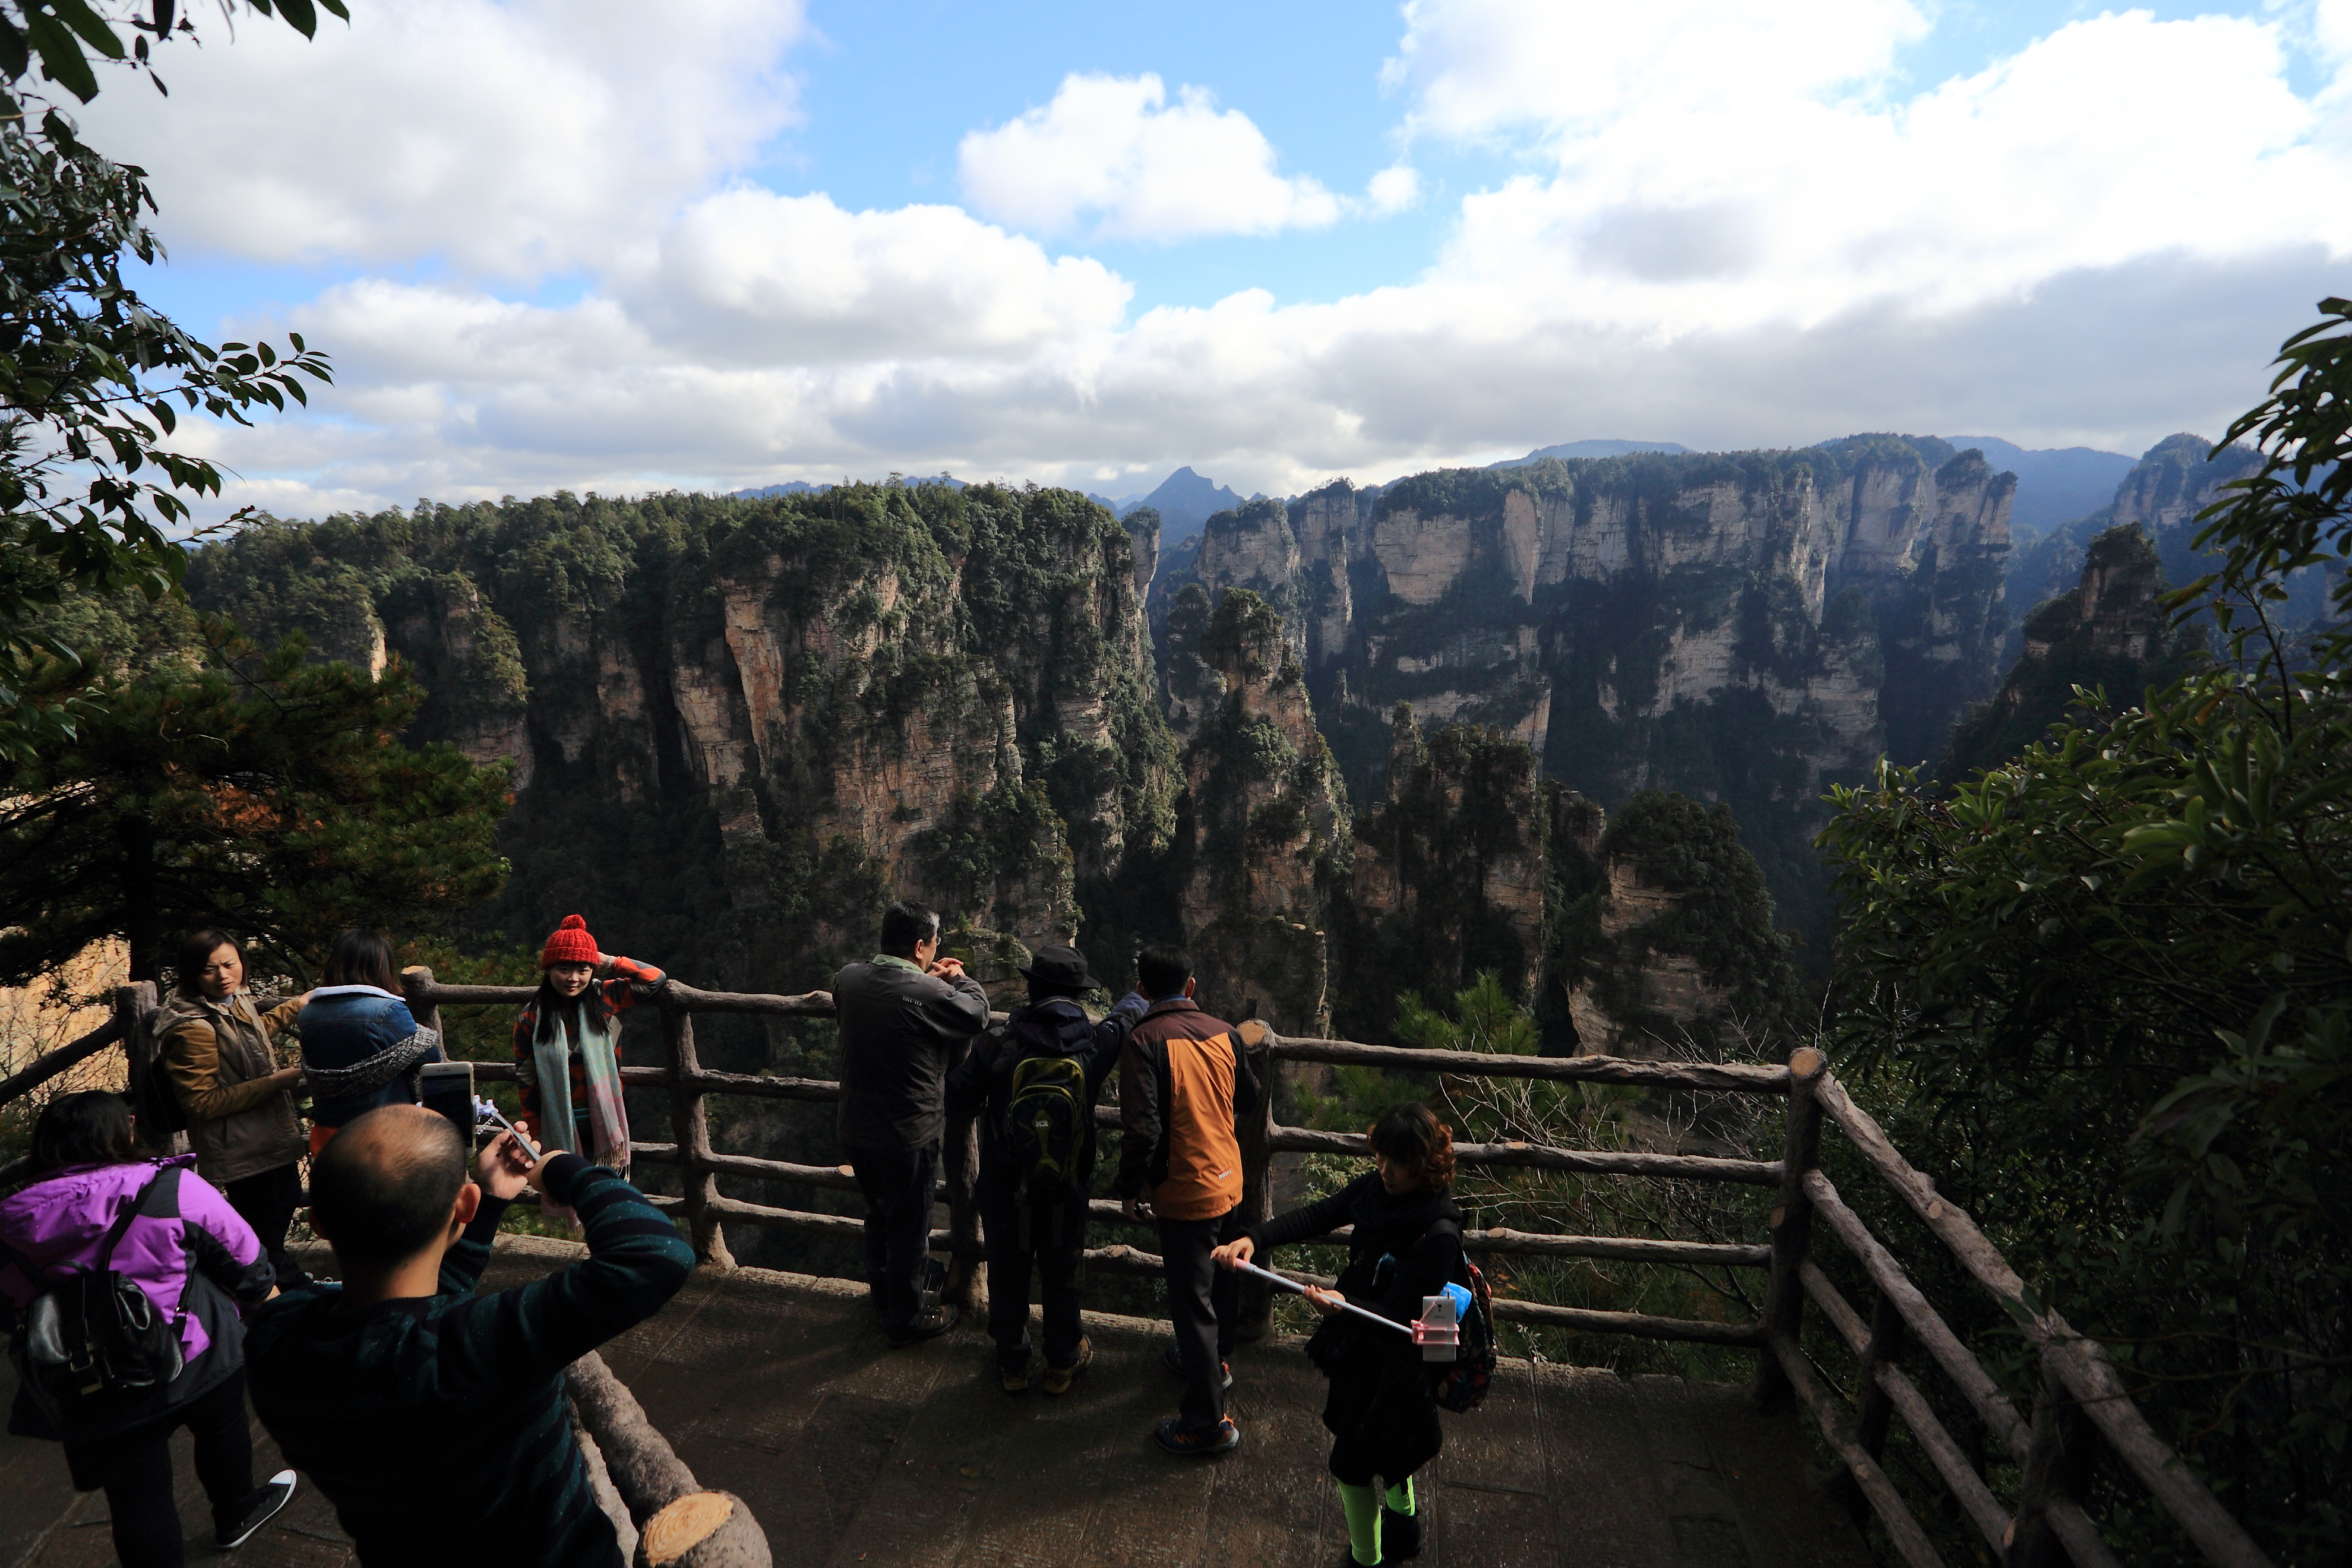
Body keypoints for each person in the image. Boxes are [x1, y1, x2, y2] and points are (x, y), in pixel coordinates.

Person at [245, 1104, 695, 1567]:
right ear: (464, 1204)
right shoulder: (480, 1349)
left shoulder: (275, 1345)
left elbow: (410, 1328)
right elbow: (657, 1256)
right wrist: (565, 1170)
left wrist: (489, 1200)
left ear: (318, 1223)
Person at [0, 1092, 297, 1566]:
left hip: (91, 1374)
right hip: (194, 1352)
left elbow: (10, 1307)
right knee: (222, 1423)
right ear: (123, 1132)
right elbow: (246, 1262)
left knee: (136, 1498)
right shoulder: (171, 1188)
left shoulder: (11, 1221)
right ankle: (237, 1512)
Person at [1213, 1103, 1465, 1567]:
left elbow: (1395, 1314)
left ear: (1425, 1164)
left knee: (1351, 1466)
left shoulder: (1438, 1235)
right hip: (1360, 1347)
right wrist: (1255, 1237)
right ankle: (1404, 1525)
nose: (1385, 1169)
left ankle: (1365, 1560)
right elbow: (1320, 1215)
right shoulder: (1376, 1191)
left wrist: (1345, 1306)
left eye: (1398, 1161)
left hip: (1395, 1362)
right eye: (1381, 1156)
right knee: (1386, 1446)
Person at [946, 943, 1145, 1394]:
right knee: (1062, 1273)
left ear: (1032, 988)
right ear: (1077, 996)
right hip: (1065, 1189)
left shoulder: (1000, 1042)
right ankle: (1061, 1364)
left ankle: (1013, 1364)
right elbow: (1123, 1019)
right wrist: (1141, 994)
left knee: (1008, 1272)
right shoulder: (1094, 1043)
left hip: (1006, 1184)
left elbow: (957, 1095)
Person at [1114, 943, 1260, 1457]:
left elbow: (1142, 1130)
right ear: (1191, 987)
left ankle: (1206, 1422)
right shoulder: (1225, 1032)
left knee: (1191, 1303)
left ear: (1142, 990)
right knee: (1222, 1280)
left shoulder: (1144, 1040)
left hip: (1186, 1190)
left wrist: (1130, 1188)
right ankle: (1217, 1363)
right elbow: (1249, 1099)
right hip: (1230, 1180)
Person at [834, 899, 989, 1346]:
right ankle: (906, 1317)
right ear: (922, 947)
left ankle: (883, 1300)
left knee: (878, 1216)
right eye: (935, 945)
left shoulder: (848, 979)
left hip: (856, 1127)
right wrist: (960, 979)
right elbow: (976, 1013)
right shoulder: (928, 993)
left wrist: (926, 981)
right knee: (909, 1228)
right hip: (907, 1134)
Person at [157, 928, 312, 1288]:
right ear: (193, 974)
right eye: (210, 969)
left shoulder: (230, 1002)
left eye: (230, 964)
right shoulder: (193, 1026)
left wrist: (296, 1006)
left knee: (281, 1206)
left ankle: (279, 1297)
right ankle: (286, 1301)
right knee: (266, 1237)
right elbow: (201, 1102)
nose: (223, 975)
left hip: (265, 1136)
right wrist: (275, 1082)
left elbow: (251, 1034)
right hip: (241, 1148)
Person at [511, 914, 663, 1176]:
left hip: (605, 1117)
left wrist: (609, 961)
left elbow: (654, 978)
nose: (573, 978)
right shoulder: (531, 1017)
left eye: (583, 969)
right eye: (564, 969)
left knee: (608, 1188)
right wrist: (534, 1133)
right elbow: (527, 1080)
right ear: (548, 970)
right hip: (559, 1120)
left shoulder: (606, 998)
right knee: (571, 1189)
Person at [298, 928, 445, 1154]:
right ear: (382, 967)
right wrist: (421, 1035)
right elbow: (429, 1057)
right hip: (380, 1135)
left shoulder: (309, 1015)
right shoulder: (387, 1011)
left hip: (328, 1136)